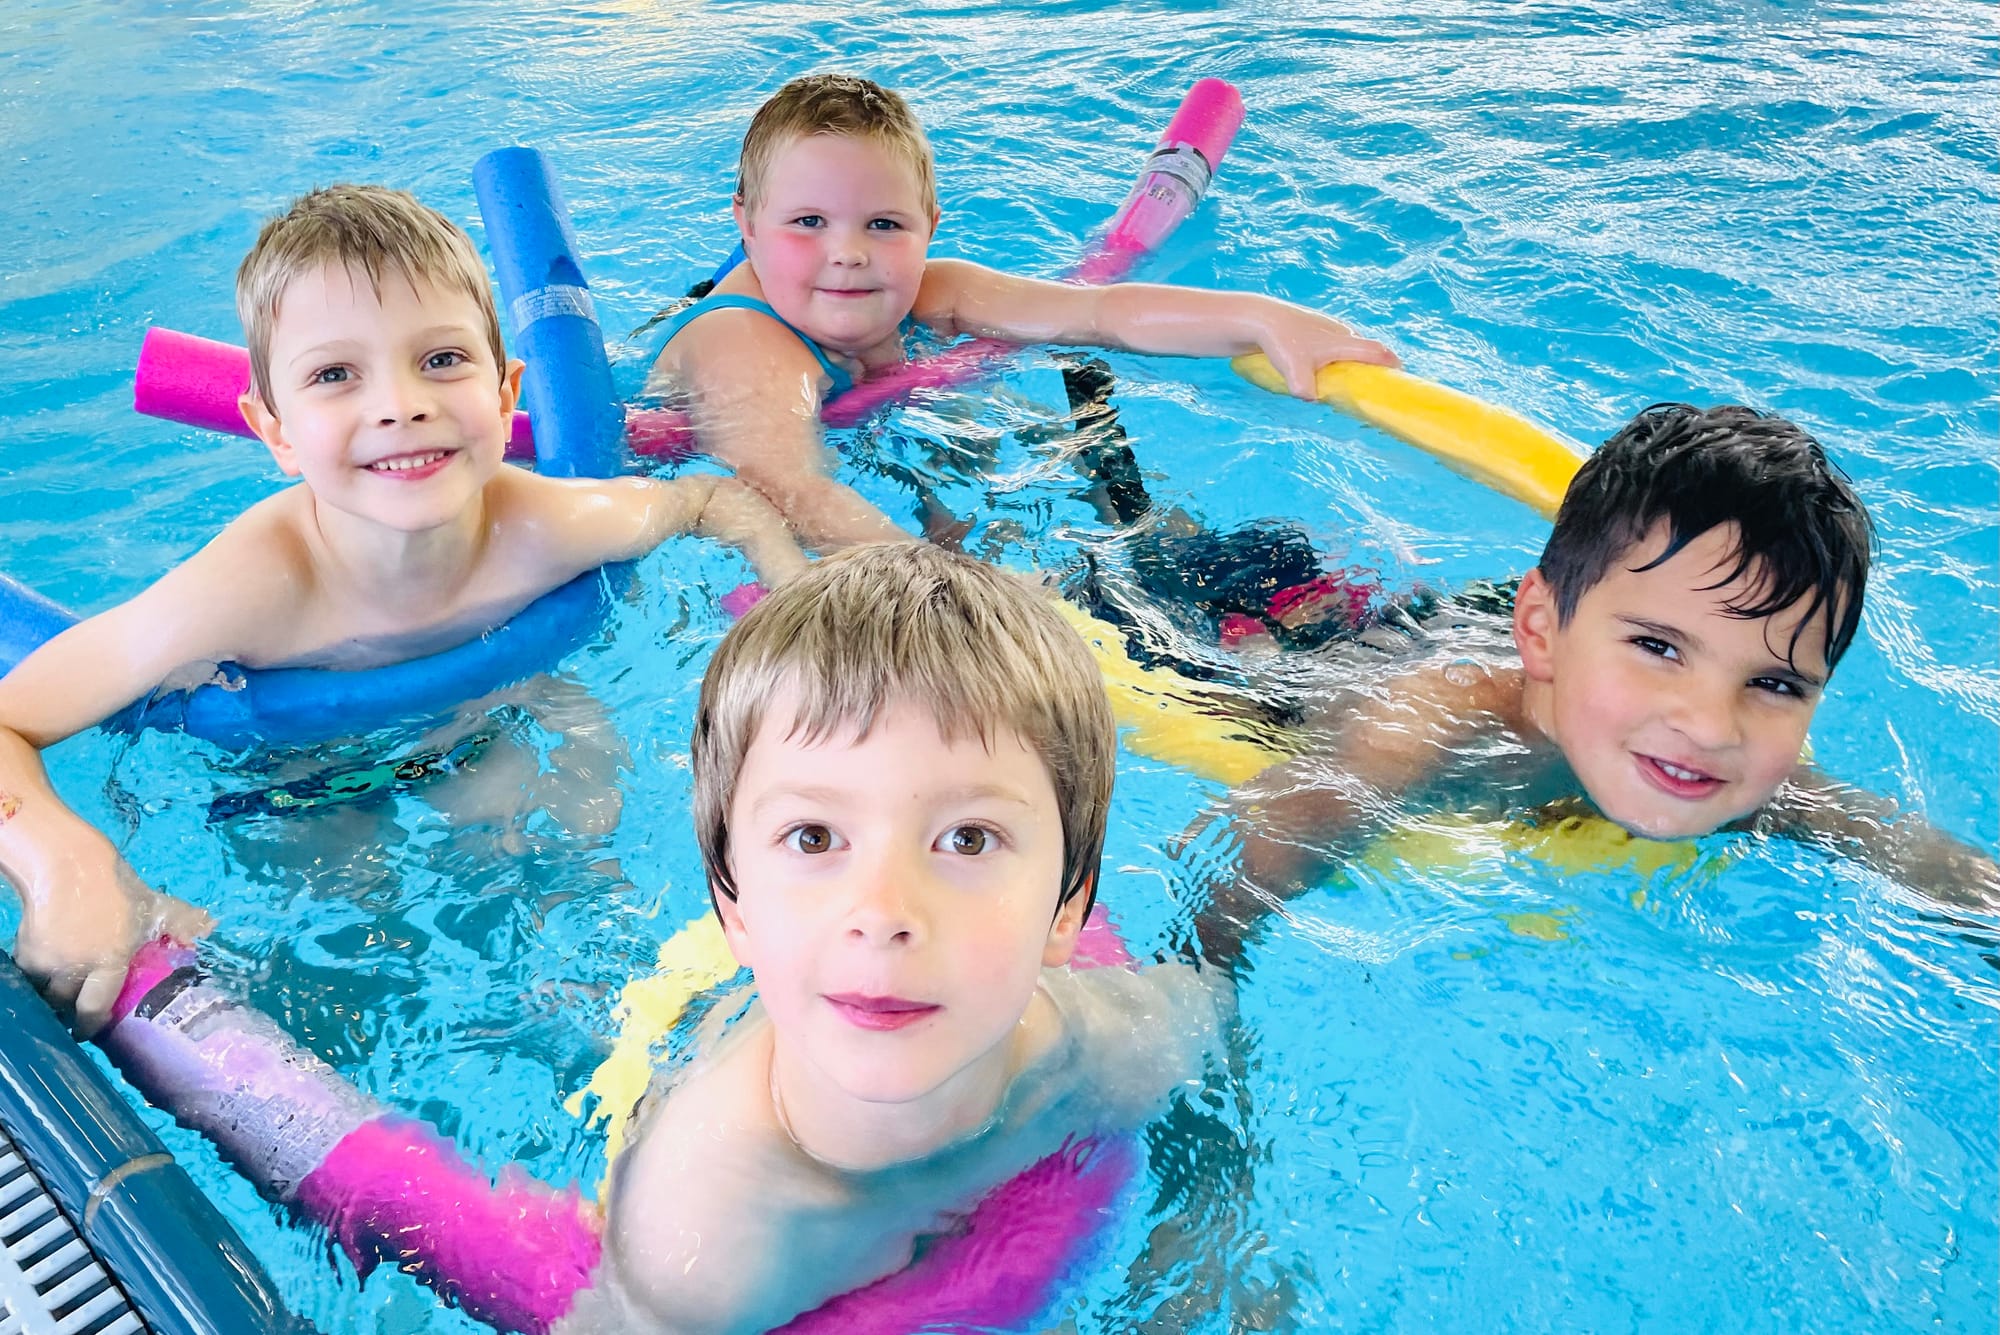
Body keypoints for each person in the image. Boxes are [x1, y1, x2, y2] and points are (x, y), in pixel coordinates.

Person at [0, 184, 809, 1035]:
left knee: (566, 857)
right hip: (300, 777)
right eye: (335, 375)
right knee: (344, 951)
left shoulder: (549, 528)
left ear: (506, 397)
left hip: (486, 722)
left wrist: (788, 595)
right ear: (272, 430)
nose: (399, 404)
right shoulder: (250, 588)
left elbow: (711, 502)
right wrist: (63, 864)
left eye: (442, 361)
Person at [564, 543, 1226, 1335]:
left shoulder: (1104, 1045)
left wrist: (1199, 1257)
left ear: (1067, 906)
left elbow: (1210, 1032)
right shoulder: (700, 1247)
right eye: (813, 836)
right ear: (734, 908)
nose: (882, 910)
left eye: (969, 839)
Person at [1209, 401, 1999, 934]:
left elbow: (1925, 859)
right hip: (1276, 661)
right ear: (1543, 632)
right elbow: (1230, 876)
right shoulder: (1425, 738)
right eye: (1660, 648)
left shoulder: (1745, 772)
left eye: (1774, 682)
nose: (1710, 725)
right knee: (1210, 583)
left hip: (1492, 627)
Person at [648, 72, 1401, 550]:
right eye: (808, 223)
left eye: (883, 225)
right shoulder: (742, 343)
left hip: (881, 423)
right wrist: (963, 596)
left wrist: (1261, 317)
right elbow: (796, 493)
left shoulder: (931, 290)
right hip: (718, 476)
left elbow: (1098, 313)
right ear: (745, 226)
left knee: (1045, 446)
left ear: (929, 225)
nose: (849, 253)